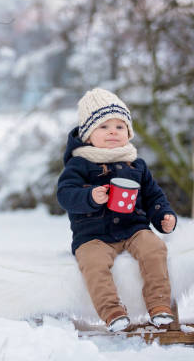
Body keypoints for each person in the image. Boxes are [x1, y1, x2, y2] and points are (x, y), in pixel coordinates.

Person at [57, 87, 177, 332]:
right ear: (88, 134)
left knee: (154, 247)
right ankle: (112, 312)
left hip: (133, 229)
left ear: (129, 133)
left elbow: (153, 195)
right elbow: (65, 194)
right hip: (93, 235)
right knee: (93, 263)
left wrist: (163, 215)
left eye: (120, 127)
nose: (113, 131)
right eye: (103, 127)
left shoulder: (136, 164)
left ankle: (160, 305)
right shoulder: (80, 164)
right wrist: (90, 196)